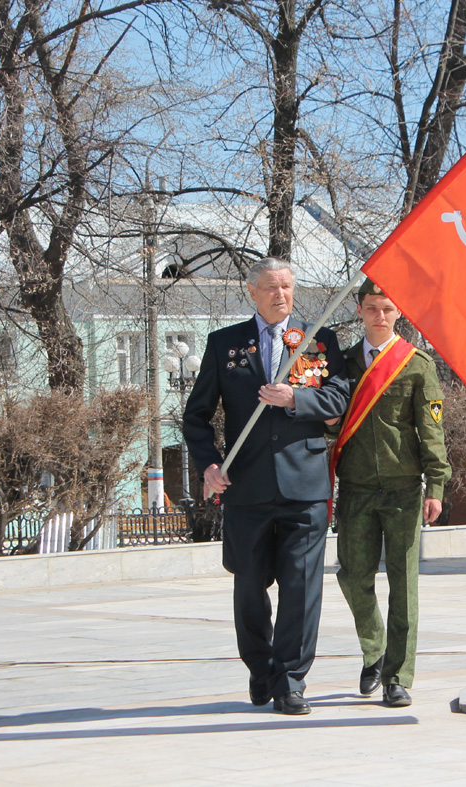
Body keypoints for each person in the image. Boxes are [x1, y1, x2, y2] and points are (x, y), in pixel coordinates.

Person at [182, 257, 350, 715]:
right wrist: (209, 465)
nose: (281, 295)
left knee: (301, 585)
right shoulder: (225, 344)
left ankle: (292, 679)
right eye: (272, 287)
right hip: (247, 487)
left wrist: (297, 398)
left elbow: (339, 397)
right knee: (250, 586)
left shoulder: (318, 341)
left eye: (288, 287)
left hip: (306, 486)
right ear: (252, 292)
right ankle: (260, 668)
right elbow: (196, 415)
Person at [329, 279, 450, 708]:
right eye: (372, 307)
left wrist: (435, 485)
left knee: (404, 585)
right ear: (359, 311)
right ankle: (374, 651)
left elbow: (430, 431)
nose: (380, 315)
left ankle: (398, 676)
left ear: (398, 312)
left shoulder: (417, 365)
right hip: (357, 488)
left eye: (387, 308)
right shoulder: (341, 365)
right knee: (352, 577)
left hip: (403, 489)